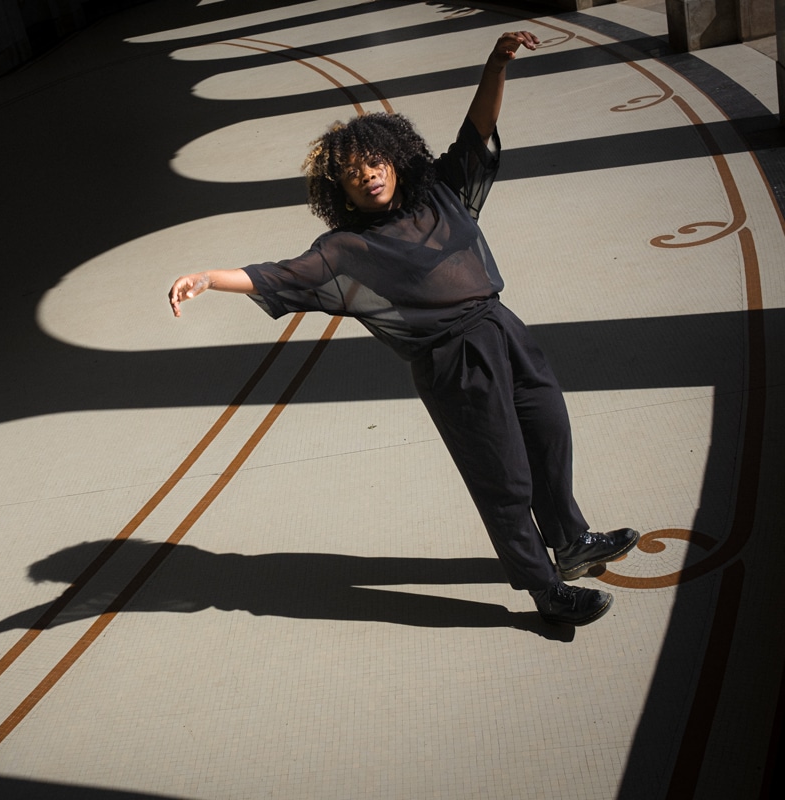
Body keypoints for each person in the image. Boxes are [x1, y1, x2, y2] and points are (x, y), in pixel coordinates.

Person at [168, 31, 639, 626]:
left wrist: (496, 63)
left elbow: (478, 128)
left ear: (393, 158)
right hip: (452, 363)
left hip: (502, 329)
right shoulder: (348, 248)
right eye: (353, 174)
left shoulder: (443, 191)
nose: (367, 176)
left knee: (549, 435)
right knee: (503, 477)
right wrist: (210, 277)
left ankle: (570, 541)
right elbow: (279, 274)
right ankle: (545, 589)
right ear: (339, 191)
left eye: (373, 162)